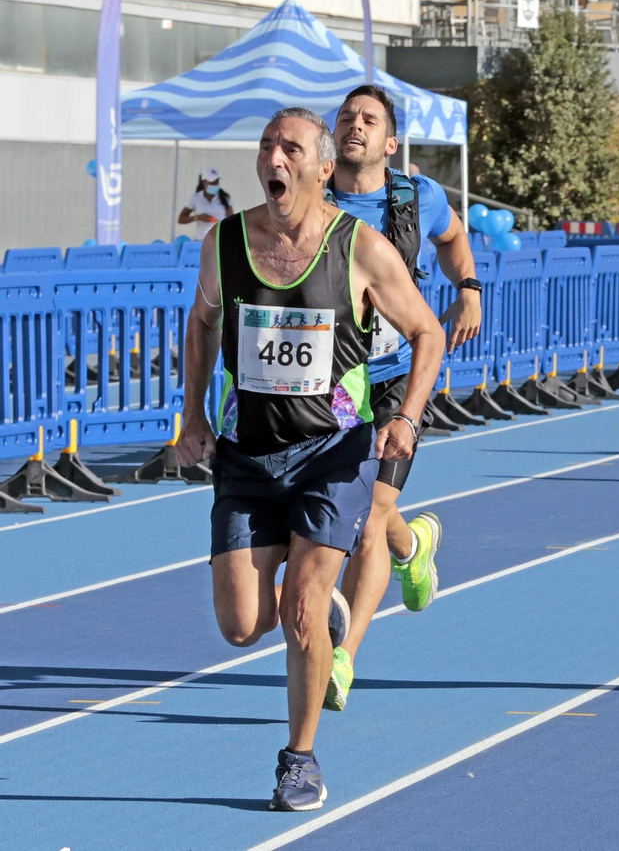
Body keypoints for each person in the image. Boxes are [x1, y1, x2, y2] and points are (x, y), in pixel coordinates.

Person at [174, 108, 445, 811]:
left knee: (301, 607)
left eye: (291, 147)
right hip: (246, 455)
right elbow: (202, 324)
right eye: (267, 146)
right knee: (240, 626)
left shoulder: (358, 246)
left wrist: (407, 419)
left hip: (335, 453)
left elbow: (427, 332)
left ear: (322, 169)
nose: (275, 158)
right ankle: (312, 622)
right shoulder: (226, 243)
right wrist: (193, 416)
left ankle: (299, 758)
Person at [323, 84, 483, 712]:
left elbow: (453, 236)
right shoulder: (315, 196)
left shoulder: (416, 196)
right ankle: (414, 546)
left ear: (390, 142)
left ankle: (345, 657)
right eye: (345, 118)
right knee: (366, 512)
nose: (354, 126)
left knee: (364, 522)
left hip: (394, 375)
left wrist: (467, 287)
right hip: (332, 382)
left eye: (368, 120)